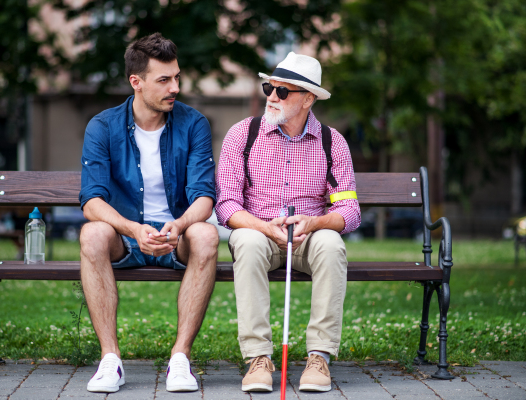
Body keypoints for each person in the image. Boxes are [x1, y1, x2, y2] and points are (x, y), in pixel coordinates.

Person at [78, 33, 219, 393]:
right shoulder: (103, 126)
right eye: (164, 80)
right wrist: (132, 228)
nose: (175, 87)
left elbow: (204, 197)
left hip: (178, 235)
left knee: (205, 234)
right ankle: (110, 360)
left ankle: (180, 360)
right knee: (92, 233)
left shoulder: (194, 124)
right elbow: (91, 201)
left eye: (177, 77)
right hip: (126, 237)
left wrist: (181, 224)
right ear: (136, 82)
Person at [215, 52, 361, 393]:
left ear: (308, 99)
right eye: (269, 87)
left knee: (331, 243)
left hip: (308, 237)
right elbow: (227, 206)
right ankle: (257, 358)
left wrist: (314, 222)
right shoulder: (243, 134)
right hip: (259, 232)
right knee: (247, 243)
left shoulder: (332, 142)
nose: (271, 97)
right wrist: (265, 228)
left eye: (283, 91)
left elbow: (349, 211)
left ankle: (319, 356)